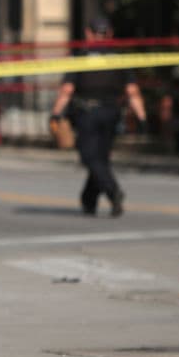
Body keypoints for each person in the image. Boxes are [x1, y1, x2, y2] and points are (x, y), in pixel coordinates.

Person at [49, 16, 147, 217]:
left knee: (89, 157)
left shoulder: (81, 58)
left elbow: (67, 90)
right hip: (112, 113)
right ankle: (89, 199)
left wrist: (56, 113)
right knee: (100, 158)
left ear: (88, 34)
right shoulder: (119, 59)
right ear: (110, 34)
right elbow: (132, 91)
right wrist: (142, 117)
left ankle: (113, 191)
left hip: (88, 114)